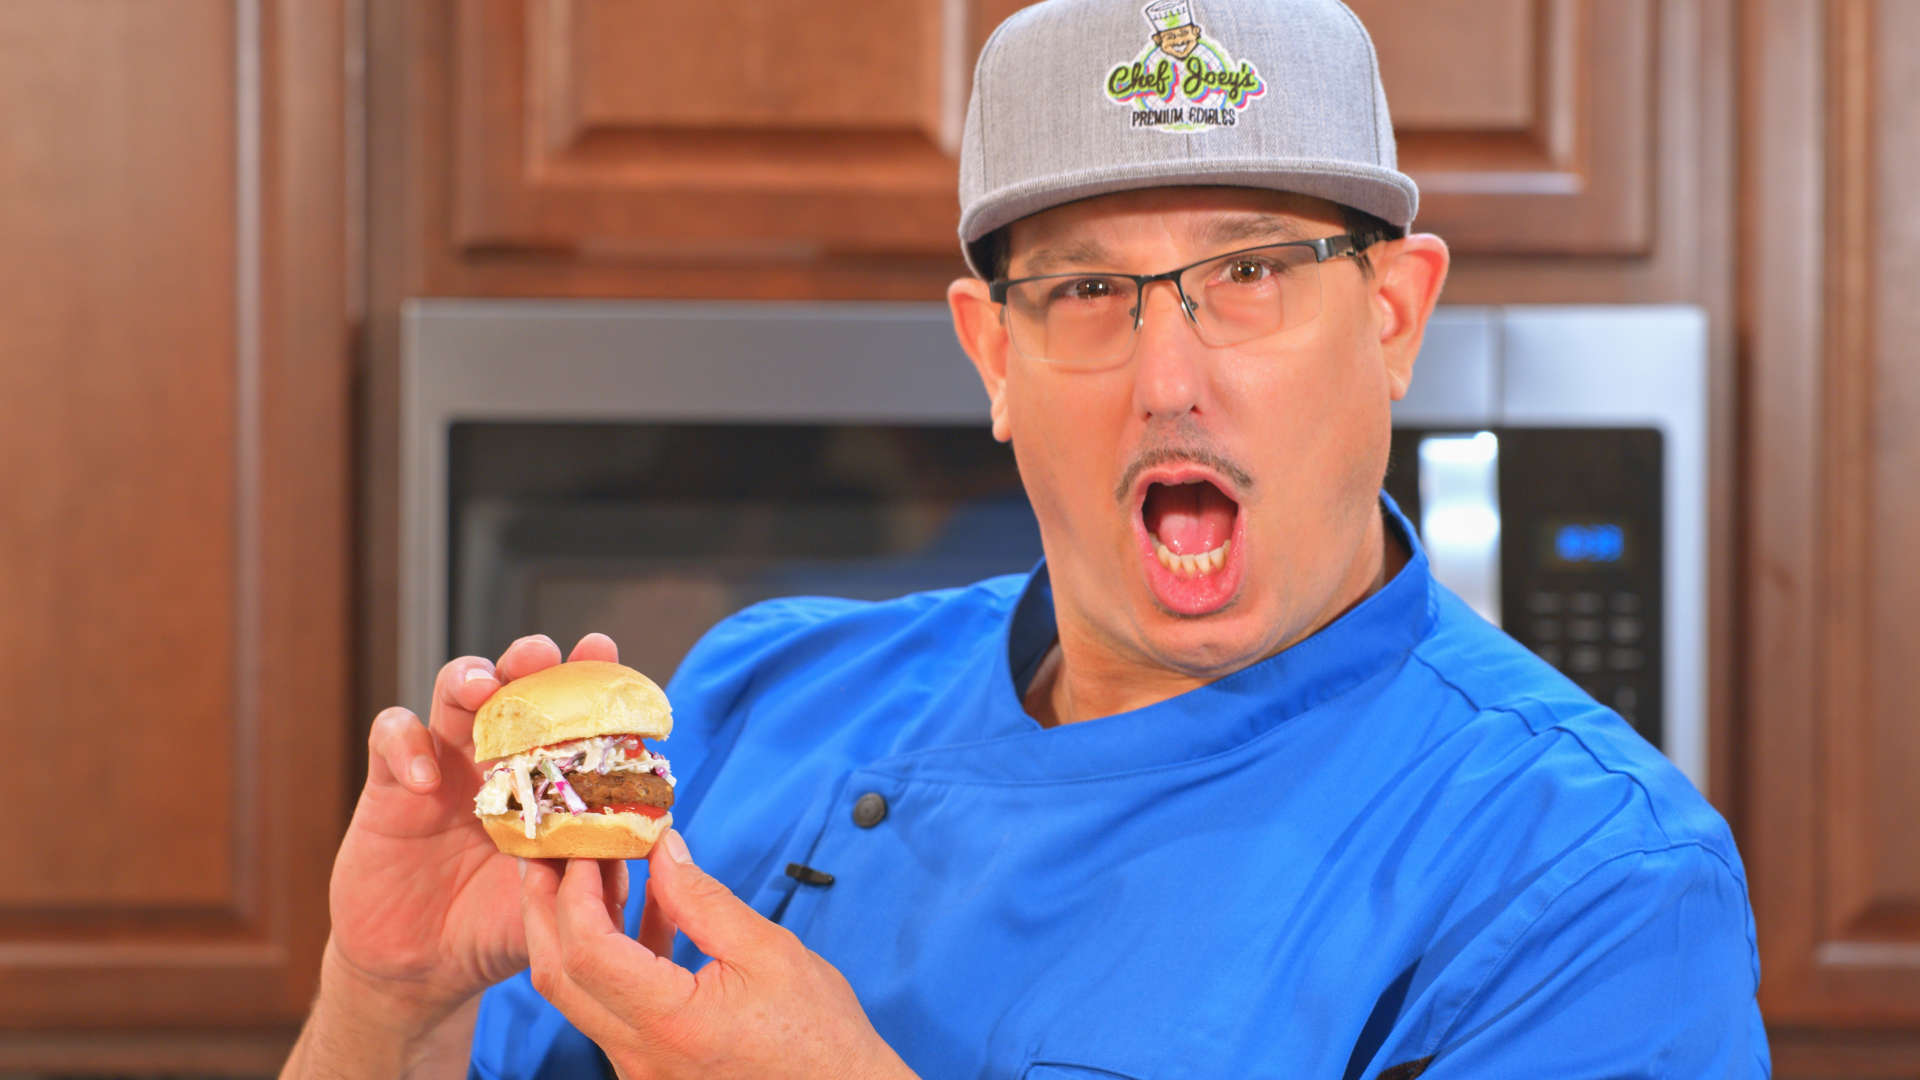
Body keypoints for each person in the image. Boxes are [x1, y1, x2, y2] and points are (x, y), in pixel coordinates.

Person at [283, 0, 1771, 1076]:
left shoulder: (1591, 887)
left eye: (1252, 271)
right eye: (1086, 292)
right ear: (993, 353)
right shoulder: (755, 703)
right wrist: (387, 999)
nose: (1168, 377)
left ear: (1392, 315)